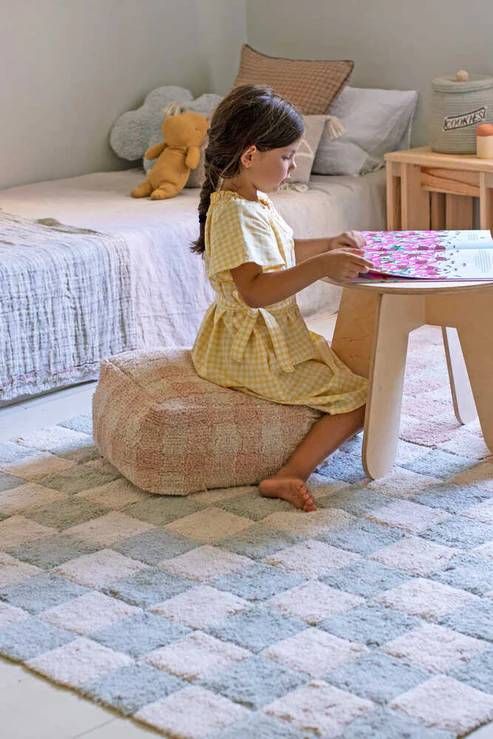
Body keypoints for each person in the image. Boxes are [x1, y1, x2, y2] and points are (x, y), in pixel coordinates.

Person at [191, 84, 373, 513]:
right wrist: (323, 266)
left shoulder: (252, 200)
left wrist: (328, 244)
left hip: (265, 337)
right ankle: (290, 473)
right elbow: (255, 291)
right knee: (362, 400)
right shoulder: (234, 214)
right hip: (250, 348)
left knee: (341, 372)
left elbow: (281, 251)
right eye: (287, 156)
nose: (292, 167)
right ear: (250, 156)